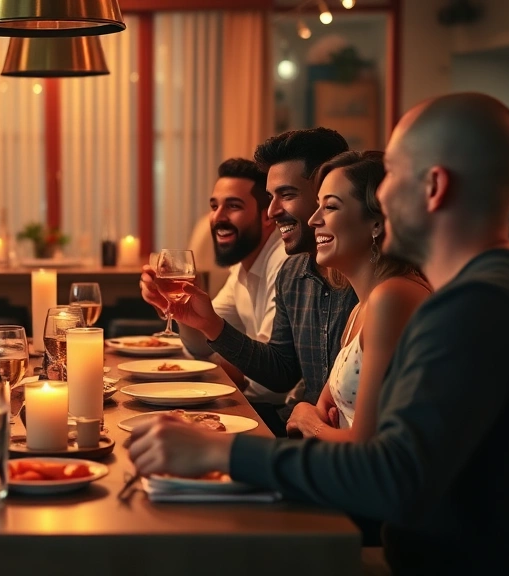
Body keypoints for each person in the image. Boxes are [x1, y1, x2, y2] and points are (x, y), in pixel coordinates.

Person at [127, 93, 509, 574]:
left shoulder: (473, 307)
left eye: (393, 173)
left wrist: (220, 449)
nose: (380, 193)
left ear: (434, 186)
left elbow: (387, 474)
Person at [141, 128, 355, 434]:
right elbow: (281, 371)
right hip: (300, 434)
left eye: (288, 195)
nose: (272, 212)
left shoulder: (369, 282)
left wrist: (310, 422)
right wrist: (208, 323)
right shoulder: (293, 272)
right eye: (271, 197)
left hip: (322, 447)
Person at [285, 151, 431, 442]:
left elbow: (365, 446)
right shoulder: (361, 308)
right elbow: (325, 407)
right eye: (317, 206)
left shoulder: (393, 297)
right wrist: (316, 420)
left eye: (330, 207)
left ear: (376, 223)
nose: (314, 220)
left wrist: (307, 421)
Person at [143, 158, 289, 420]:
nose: (218, 217)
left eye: (233, 206)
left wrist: (193, 377)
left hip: (275, 415)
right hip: (247, 403)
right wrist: (179, 311)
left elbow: (272, 377)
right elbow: (202, 346)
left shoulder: (284, 265)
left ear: (267, 216)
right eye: (214, 206)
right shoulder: (242, 269)